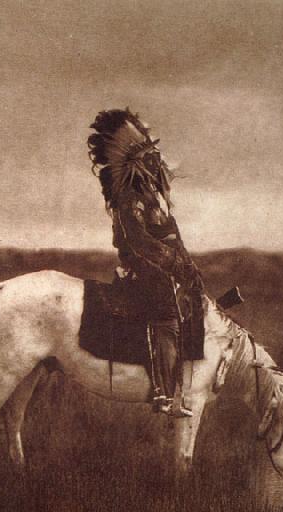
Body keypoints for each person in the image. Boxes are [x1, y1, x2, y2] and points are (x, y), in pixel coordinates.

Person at [87, 108, 203, 418]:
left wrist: (188, 267)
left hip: (162, 264)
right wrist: (174, 263)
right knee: (166, 313)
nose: (157, 158)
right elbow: (136, 242)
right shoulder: (129, 197)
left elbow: (171, 236)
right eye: (149, 153)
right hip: (141, 266)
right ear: (137, 162)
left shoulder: (154, 196)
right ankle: (164, 393)